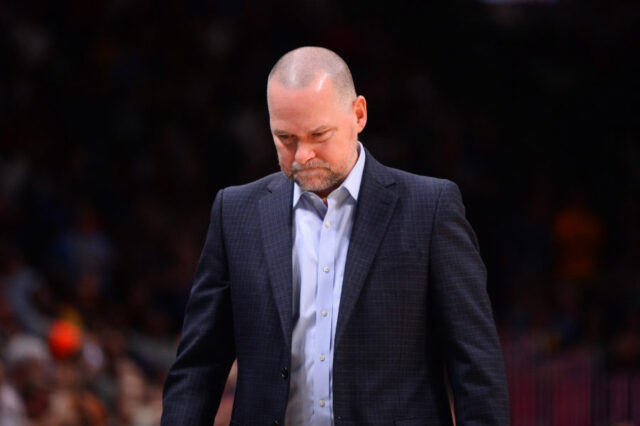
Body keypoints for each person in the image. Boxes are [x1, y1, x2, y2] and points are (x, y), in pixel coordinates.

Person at [161, 46, 509, 426]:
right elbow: (198, 368)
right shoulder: (235, 213)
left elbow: (476, 367)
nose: (303, 155)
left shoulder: (430, 208)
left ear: (358, 114)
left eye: (318, 134)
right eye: (286, 138)